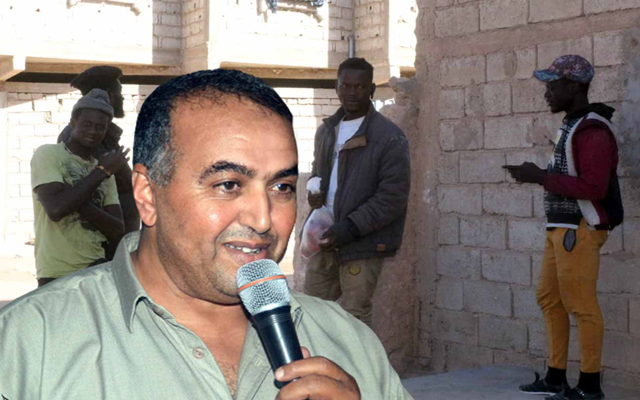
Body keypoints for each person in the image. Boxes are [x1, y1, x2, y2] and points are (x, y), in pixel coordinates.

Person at [0, 69, 413, 399]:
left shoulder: (348, 341)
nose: (263, 219)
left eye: (282, 187)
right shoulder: (30, 344)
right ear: (147, 195)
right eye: (228, 184)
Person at [505, 55, 623, 400]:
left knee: (582, 305)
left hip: (579, 229)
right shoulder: (573, 124)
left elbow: (594, 188)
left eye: (552, 86)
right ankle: (555, 377)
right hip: (561, 228)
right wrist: (537, 176)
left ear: (573, 87)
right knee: (549, 298)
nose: (547, 93)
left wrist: (540, 177)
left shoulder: (592, 130)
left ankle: (589, 387)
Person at [304, 57, 411, 327]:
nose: (352, 93)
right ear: (336, 87)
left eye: (360, 87)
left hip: (363, 242)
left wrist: (350, 228)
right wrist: (314, 192)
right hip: (327, 237)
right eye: (346, 86)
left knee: (355, 319)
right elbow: (318, 172)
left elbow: (392, 198)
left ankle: (358, 359)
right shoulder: (326, 131)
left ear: (371, 90)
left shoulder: (389, 137)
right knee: (311, 312)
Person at [29, 88, 129, 287]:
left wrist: (71, 197)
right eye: (87, 124)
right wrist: (100, 172)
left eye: (100, 127)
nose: (93, 131)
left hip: (97, 270)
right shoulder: (48, 154)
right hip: (57, 272)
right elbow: (56, 209)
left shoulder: (104, 169)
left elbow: (118, 229)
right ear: (73, 122)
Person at [58, 65, 141, 243]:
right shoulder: (79, 137)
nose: (122, 98)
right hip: (102, 241)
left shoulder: (104, 134)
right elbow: (80, 193)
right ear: (109, 95)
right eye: (119, 92)